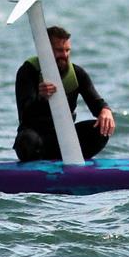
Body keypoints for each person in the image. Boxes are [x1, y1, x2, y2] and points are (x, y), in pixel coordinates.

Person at [13, 26, 115, 161]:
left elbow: (96, 103)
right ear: (45, 51)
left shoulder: (77, 74)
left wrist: (105, 110)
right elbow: (25, 114)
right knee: (26, 141)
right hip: (36, 136)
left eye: (67, 50)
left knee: (100, 130)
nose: (65, 55)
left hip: (65, 139)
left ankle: (68, 161)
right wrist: (41, 97)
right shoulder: (29, 71)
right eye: (59, 50)